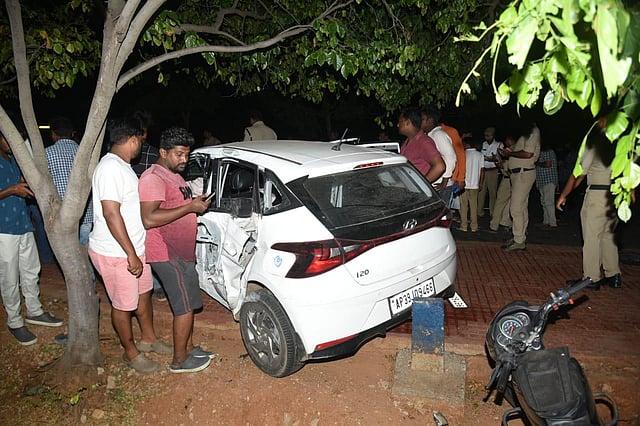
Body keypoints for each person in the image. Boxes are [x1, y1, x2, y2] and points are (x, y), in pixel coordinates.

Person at [88, 117, 171, 375]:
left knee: (143, 294)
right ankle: (130, 352)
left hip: (134, 249)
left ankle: (148, 339)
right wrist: (130, 254)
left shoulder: (122, 167)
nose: (141, 147)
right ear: (134, 139)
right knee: (123, 305)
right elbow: (111, 214)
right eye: (141, 141)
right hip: (117, 252)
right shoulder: (109, 168)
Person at [139, 126, 214, 373]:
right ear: (163, 152)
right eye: (179, 154)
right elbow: (149, 218)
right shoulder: (153, 178)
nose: (184, 159)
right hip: (166, 252)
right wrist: (190, 207)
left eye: (187, 154)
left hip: (182, 252)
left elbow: (176, 206)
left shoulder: (174, 175)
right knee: (183, 307)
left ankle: (189, 348)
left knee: (189, 304)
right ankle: (179, 360)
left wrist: (195, 203)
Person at [0, 131, 63, 345]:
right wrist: (12, 190)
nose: (11, 143)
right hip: (4, 228)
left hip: (23, 223)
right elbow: (10, 189)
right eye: (7, 138)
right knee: (9, 276)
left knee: (31, 269)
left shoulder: (14, 160)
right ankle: (14, 321)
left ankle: (34, 311)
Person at [556, 122, 623, 290]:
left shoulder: (595, 142)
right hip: (616, 195)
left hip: (597, 195)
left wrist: (564, 194)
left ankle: (591, 277)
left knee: (592, 237)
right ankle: (613, 274)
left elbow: (579, 173)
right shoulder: (621, 141)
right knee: (609, 235)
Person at [129, 110, 165, 301]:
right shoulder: (153, 153)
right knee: (147, 246)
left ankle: (145, 285)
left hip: (132, 208)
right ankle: (155, 286)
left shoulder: (123, 154)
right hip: (147, 207)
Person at [46, 117, 94, 245]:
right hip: (86, 212)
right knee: (84, 250)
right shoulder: (86, 154)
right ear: (72, 134)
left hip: (61, 214)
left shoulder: (47, 153)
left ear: (53, 134)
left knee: (66, 251)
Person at [501, 124, 541, 251]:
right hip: (519, 174)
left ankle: (518, 239)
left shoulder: (533, 131)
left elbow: (528, 154)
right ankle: (520, 237)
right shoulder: (527, 131)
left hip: (523, 173)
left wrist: (511, 152)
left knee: (516, 208)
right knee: (522, 207)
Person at [397, 107, 445, 183]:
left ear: (408, 122)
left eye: (400, 121)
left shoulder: (423, 141)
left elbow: (439, 166)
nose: (398, 125)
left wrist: (421, 185)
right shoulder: (408, 141)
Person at [421, 107, 457, 202]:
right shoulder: (430, 135)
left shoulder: (438, 134)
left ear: (430, 120)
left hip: (441, 184)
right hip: (435, 182)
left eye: (422, 119)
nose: (419, 122)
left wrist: (444, 181)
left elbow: (450, 157)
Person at [489, 135, 516, 233]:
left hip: (508, 179)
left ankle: (494, 225)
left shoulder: (512, 150)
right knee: (510, 203)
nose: (506, 143)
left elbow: (508, 167)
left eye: (507, 141)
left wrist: (501, 165)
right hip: (515, 179)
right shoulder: (517, 150)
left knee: (500, 202)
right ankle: (505, 222)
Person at [458, 139, 484, 232]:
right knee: (474, 206)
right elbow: (482, 170)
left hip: (463, 184)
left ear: (467, 145)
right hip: (475, 184)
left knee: (463, 206)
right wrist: (481, 183)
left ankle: (464, 226)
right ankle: (474, 226)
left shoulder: (463, 154)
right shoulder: (480, 155)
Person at [478, 127, 503, 217]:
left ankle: (493, 212)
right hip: (483, 170)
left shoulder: (499, 144)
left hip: (493, 171)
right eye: (485, 135)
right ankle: (479, 211)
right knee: (481, 192)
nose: (487, 137)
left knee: (492, 192)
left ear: (493, 135)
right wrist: (491, 158)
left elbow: (500, 158)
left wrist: (492, 158)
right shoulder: (483, 144)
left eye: (488, 135)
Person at [535, 142, 558, 228]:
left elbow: (548, 164)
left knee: (548, 202)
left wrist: (537, 163)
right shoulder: (540, 153)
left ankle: (553, 223)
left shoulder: (548, 151)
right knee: (544, 202)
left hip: (549, 180)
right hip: (542, 181)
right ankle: (546, 221)